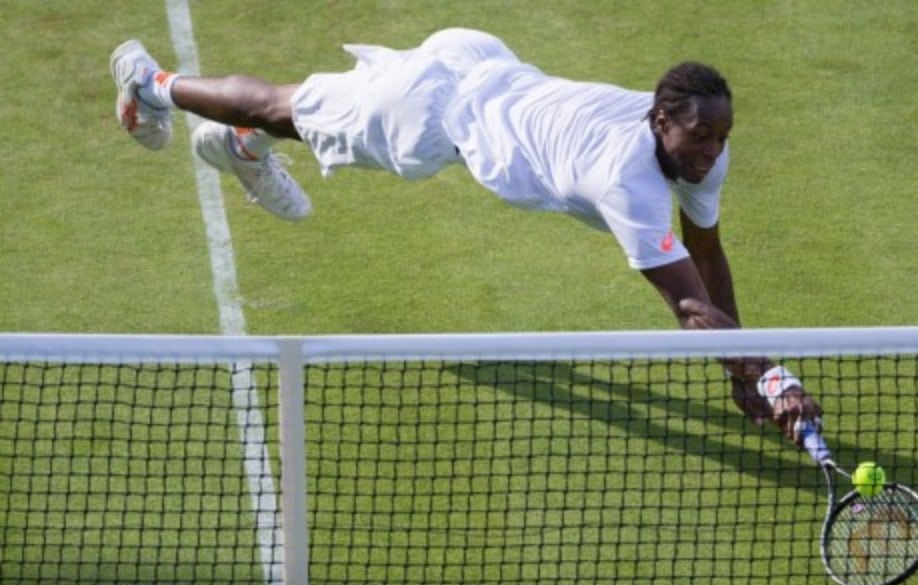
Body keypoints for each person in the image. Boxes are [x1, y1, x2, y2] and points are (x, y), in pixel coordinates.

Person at [109, 28, 822, 444]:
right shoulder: (627, 180)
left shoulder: (699, 149)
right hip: (432, 115)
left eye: (721, 136)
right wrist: (765, 372)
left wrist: (748, 368)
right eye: (700, 135)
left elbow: (708, 255)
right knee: (279, 107)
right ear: (662, 120)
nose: (712, 151)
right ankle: (148, 83)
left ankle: (240, 146)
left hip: (482, 60)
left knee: (294, 113)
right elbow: (691, 306)